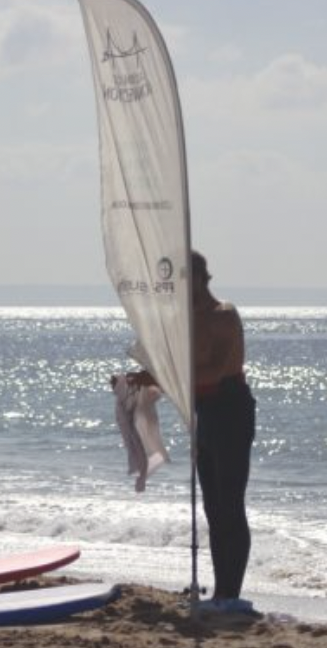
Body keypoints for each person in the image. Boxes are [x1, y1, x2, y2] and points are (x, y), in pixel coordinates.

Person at [130, 250, 255, 613]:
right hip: (204, 413)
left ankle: (232, 594)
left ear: (200, 278)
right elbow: (174, 374)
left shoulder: (223, 315)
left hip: (231, 409)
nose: (178, 291)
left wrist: (161, 376)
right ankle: (220, 593)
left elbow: (213, 371)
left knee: (230, 504)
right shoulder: (182, 323)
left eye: (182, 282)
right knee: (213, 507)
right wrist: (137, 381)